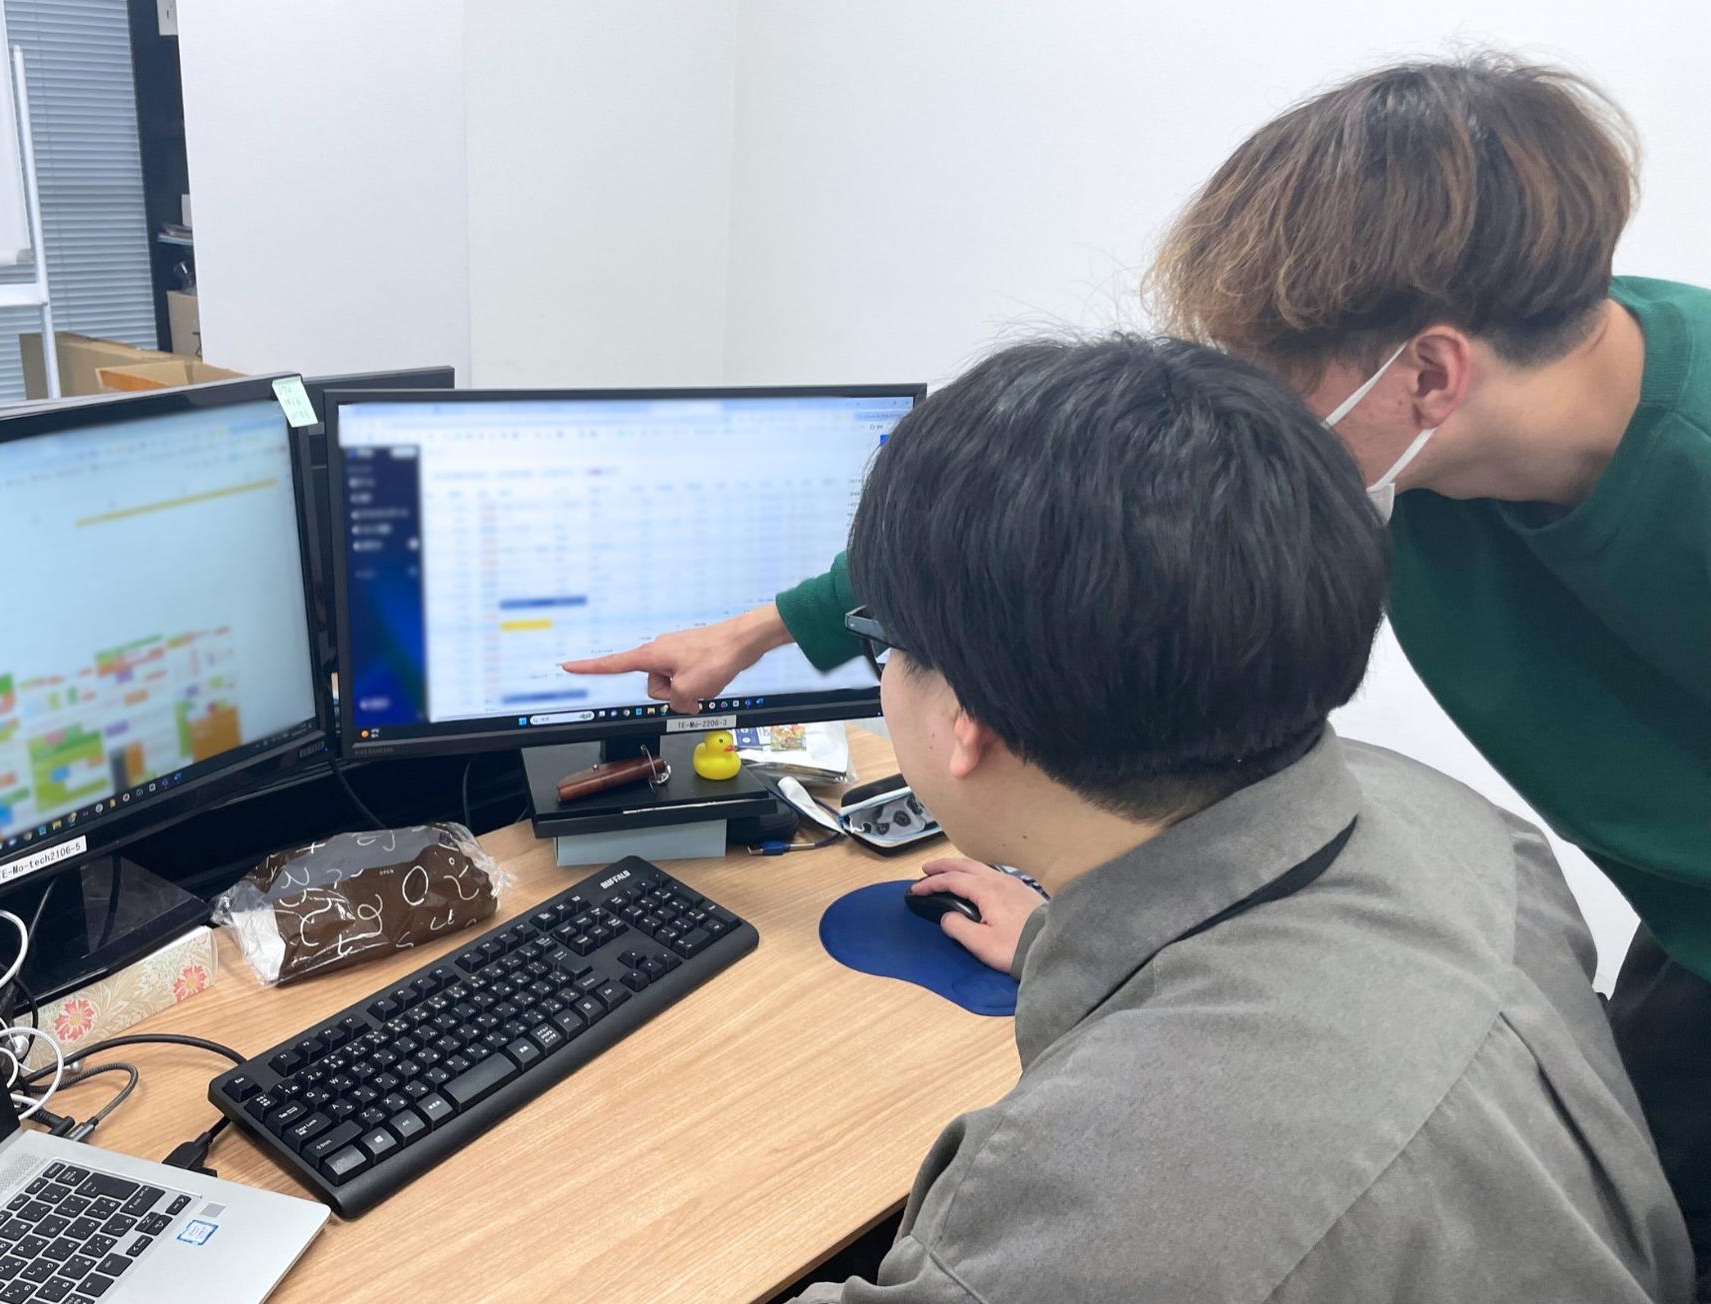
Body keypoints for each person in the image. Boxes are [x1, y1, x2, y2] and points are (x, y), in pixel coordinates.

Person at [564, 56, 1711, 1291]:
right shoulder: (1476, 843)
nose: (1235, 427)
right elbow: (1058, 516)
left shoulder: (1127, 1192)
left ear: (1431, 376)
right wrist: (765, 632)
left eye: (1269, 383)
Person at [770, 334, 1690, 1302]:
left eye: (881, 643)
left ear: (969, 716)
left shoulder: (1101, 1203)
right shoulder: (1464, 830)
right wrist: (1067, 936)